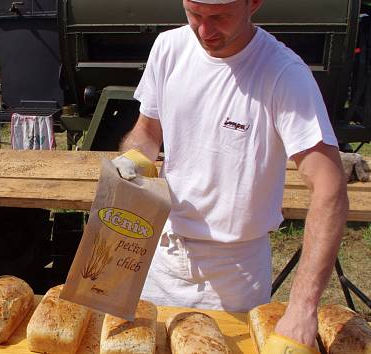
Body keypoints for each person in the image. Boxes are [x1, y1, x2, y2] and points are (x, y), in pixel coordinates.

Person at [115, 0, 348, 351]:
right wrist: (134, 159)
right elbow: (148, 132)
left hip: (232, 276)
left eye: (219, 17)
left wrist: (302, 310)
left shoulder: (283, 73)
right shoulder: (169, 47)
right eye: (194, 15)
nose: (204, 31)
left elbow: (329, 187)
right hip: (160, 259)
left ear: (253, 3)